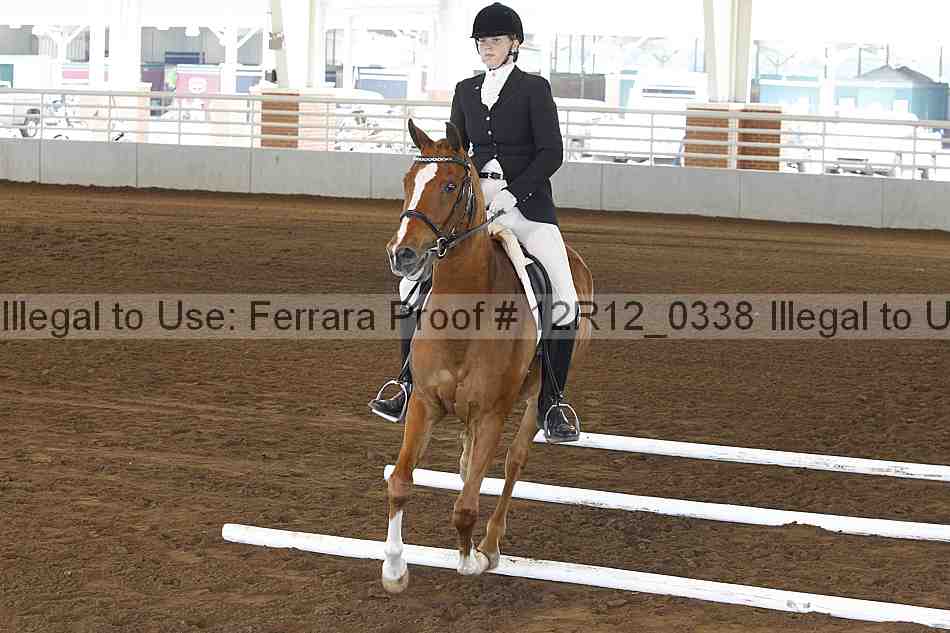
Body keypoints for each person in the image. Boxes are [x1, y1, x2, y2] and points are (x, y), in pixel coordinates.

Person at [369, 2, 581, 443]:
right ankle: (405, 383)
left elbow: (552, 153)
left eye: (496, 40)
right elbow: (455, 150)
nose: (487, 47)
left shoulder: (534, 89)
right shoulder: (466, 90)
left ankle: (553, 401)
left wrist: (513, 193)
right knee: (410, 285)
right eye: (482, 41)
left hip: (527, 207)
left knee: (564, 295)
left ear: (514, 44)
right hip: (472, 208)